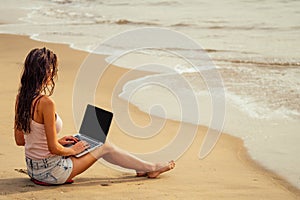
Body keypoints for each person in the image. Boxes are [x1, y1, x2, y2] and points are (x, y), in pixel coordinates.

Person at [14, 47, 175, 185]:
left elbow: (21, 140)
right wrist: (72, 150)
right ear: (46, 72)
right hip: (52, 172)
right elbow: (52, 149)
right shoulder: (46, 103)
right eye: (52, 69)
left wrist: (60, 142)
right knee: (103, 145)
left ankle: (143, 167)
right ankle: (152, 168)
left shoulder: (21, 98)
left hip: (33, 170)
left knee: (91, 142)